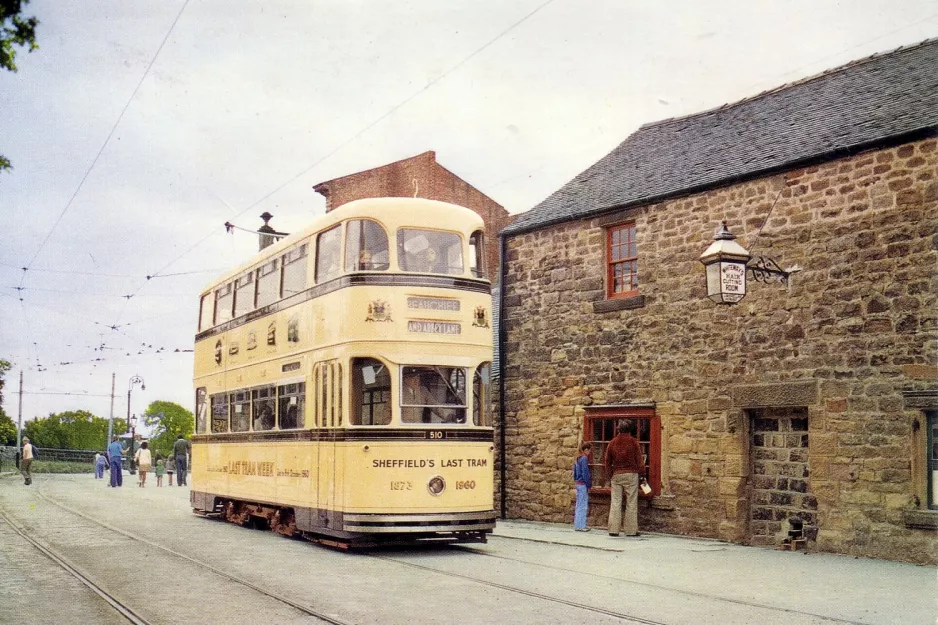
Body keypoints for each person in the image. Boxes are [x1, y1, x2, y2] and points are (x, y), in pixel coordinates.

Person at [604, 420, 644, 537]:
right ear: (630, 430)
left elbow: (607, 461)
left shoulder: (612, 443)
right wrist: (642, 474)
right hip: (631, 474)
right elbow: (640, 461)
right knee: (631, 503)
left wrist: (611, 474)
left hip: (617, 474)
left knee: (615, 502)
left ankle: (613, 530)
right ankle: (631, 531)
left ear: (618, 429)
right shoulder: (633, 442)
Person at [573, 442, 593, 531]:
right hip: (583, 484)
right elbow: (585, 473)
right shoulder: (584, 458)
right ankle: (581, 526)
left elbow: (575, 472)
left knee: (579, 505)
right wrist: (589, 485)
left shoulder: (577, 458)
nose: (589, 453)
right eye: (589, 451)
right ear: (586, 450)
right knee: (583, 505)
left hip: (578, 483)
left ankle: (578, 524)